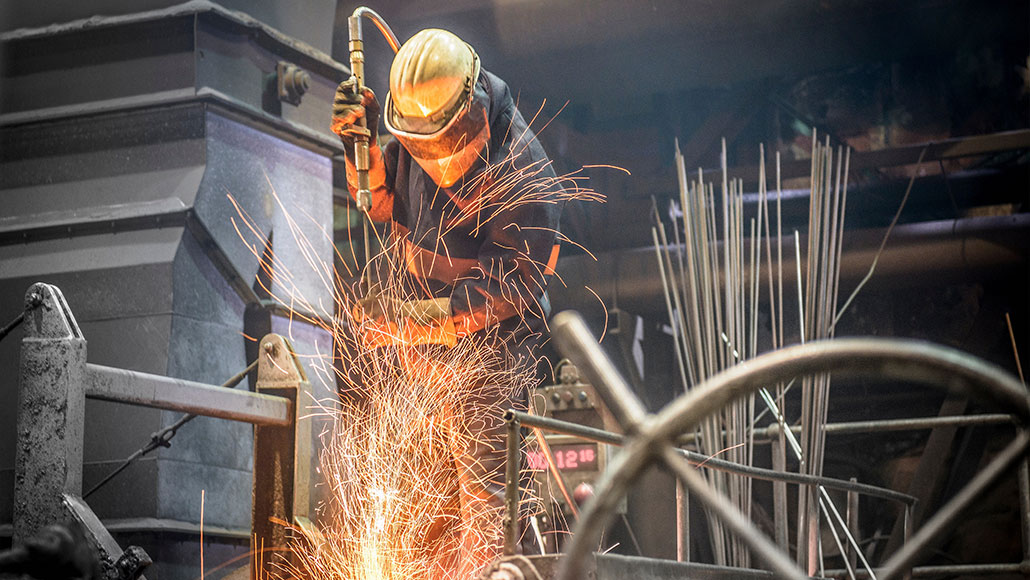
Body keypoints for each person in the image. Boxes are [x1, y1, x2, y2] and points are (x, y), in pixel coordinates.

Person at [332, 27, 564, 568]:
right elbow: (381, 203)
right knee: (417, 507)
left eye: (446, 143)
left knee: (488, 516)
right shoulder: (416, 131)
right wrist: (356, 142)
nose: (437, 159)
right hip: (420, 351)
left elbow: (507, 289)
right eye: (422, 146)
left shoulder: (524, 173)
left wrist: (416, 318)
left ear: (474, 102)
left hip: (493, 357)